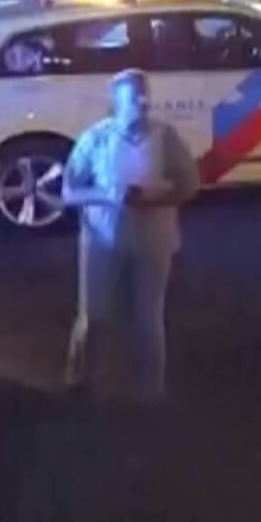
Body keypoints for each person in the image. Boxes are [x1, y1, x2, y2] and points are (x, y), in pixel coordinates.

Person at [61, 68, 199, 400]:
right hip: (103, 240)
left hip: (154, 243)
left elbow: (190, 185)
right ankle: (81, 381)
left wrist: (155, 198)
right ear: (117, 100)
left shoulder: (166, 137)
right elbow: (69, 191)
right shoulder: (96, 139)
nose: (142, 100)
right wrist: (108, 195)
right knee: (94, 315)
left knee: (148, 318)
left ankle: (149, 391)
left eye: (144, 92)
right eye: (134, 94)